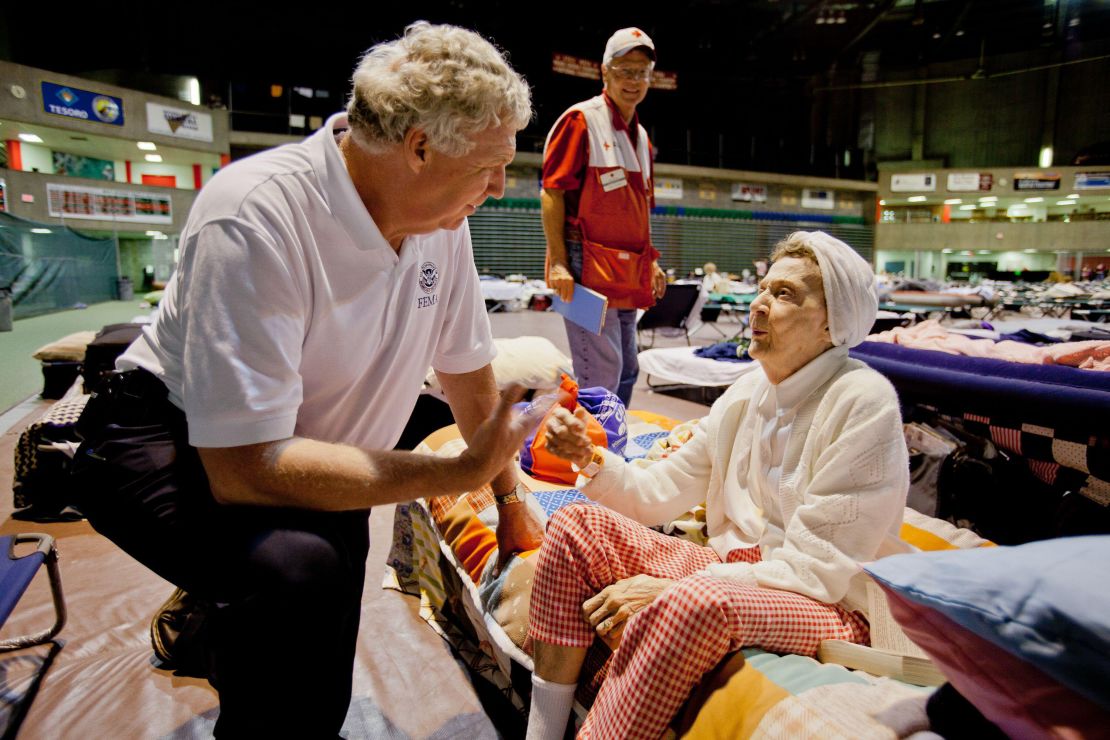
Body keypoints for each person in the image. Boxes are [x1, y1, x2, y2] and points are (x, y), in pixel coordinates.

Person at [69, 22, 549, 737]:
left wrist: (508, 494)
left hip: (311, 448)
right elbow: (244, 468)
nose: (497, 187)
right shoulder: (256, 213)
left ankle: (211, 619)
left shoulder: (444, 224)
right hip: (164, 438)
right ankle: (226, 620)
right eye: (489, 167)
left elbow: (464, 368)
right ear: (419, 147)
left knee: (317, 669)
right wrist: (449, 472)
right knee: (296, 578)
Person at [525, 231, 909, 739]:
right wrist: (588, 458)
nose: (759, 306)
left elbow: (817, 569)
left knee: (693, 604)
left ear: (832, 321)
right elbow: (657, 491)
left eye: (785, 294)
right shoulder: (747, 392)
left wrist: (678, 588)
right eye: (764, 288)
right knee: (575, 526)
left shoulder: (862, 401)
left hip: (829, 601)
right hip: (739, 569)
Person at [542, 27, 667, 409]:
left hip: (627, 269)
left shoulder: (642, 137)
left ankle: (613, 446)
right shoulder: (580, 121)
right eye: (625, 70)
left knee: (629, 367)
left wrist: (653, 264)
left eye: (641, 72)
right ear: (605, 73)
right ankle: (591, 453)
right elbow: (552, 193)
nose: (634, 81)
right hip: (584, 266)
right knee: (601, 372)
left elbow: (639, 210)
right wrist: (560, 262)